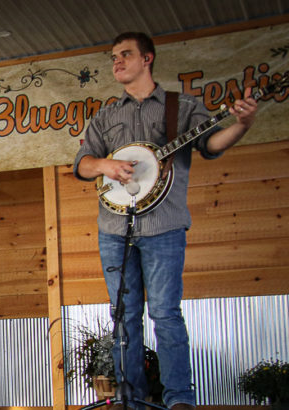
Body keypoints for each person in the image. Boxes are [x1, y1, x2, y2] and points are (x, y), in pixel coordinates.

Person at [73, 32, 257, 410]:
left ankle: (178, 400)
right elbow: (83, 164)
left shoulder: (182, 106)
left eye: (125, 54)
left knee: (165, 315)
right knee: (124, 319)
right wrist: (107, 164)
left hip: (164, 227)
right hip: (114, 229)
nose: (117, 62)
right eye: (113, 57)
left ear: (148, 58)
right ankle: (132, 400)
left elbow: (211, 145)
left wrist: (242, 124)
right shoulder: (107, 115)